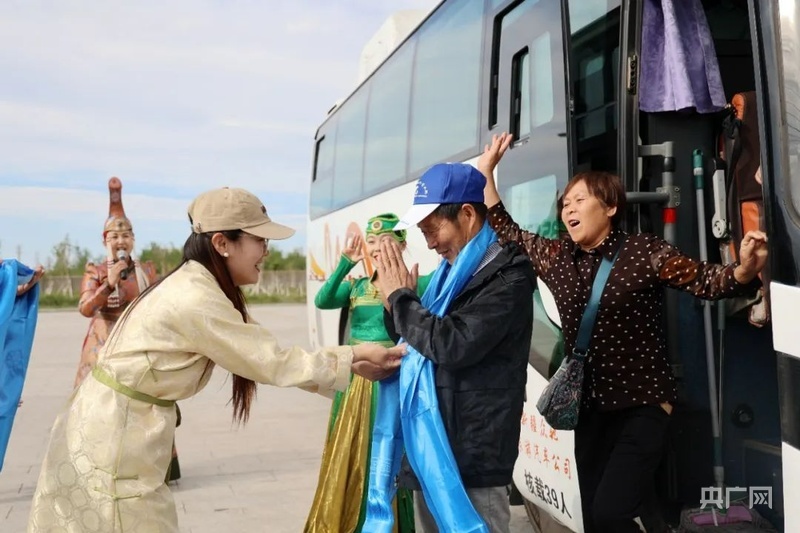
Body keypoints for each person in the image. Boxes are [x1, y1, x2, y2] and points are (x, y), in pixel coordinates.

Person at [27, 187, 406, 533]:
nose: (267, 251)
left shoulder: (202, 286)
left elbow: (265, 353)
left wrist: (356, 379)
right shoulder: (196, 297)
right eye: (260, 240)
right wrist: (354, 354)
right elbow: (271, 361)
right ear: (223, 243)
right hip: (112, 443)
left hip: (115, 429)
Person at [478, 133, 768, 532]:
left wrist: (744, 271)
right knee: (596, 519)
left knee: (612, 511)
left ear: (610, 207)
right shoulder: (557, 256)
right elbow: (507, 229)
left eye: (580, 200)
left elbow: (704, 279)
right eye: (565, 203)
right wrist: (487, 173)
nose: (569, 209)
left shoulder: (643, 252)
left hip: (644, 405)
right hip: (590, 411)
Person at [368, 163, 536, 533]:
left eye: (433, 229)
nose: (430, 243)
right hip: (432, 447)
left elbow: (452, 343)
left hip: (472, 453)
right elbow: (416, 339)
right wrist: (394, 305)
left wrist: (401, 299)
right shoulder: (449, 277)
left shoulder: (508, 276)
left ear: (467, 214)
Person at [305, 213, 432, 533]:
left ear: (402, 245)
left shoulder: (420, 281)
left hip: (393, 382)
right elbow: (323, 300)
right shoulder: (357, 286)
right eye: (371, 241)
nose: (376, 248)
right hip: (357, 384)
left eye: (385, 240)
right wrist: (346, 263)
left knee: (388, 457)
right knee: (351, 454)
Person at [74, 177, 158, 387]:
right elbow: (85, 309)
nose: (121, 241)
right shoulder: (96, 271)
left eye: (126, 236)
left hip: (135, 346)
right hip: (102, 348)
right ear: (105, 241)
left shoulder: (146, 271)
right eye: (115, 237)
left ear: (133, 239)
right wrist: (108, 285)